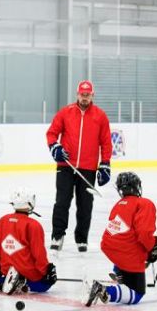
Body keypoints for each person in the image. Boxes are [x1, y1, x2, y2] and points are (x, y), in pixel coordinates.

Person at [46, 80, 112, 252]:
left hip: (88, 168)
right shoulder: (65, 112)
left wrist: (105, 164)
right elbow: (52, 133)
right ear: (77, 94)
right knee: (62, 202)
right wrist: (55, 147)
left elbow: (106, 142)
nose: (84, 98)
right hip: (66, 165)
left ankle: (81, 239)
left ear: (92, 95)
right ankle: (57, 235)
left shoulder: (100, 116)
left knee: (85, 205)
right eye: (82, 95)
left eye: (87, 95)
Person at [83, 172, 157, 307]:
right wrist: (151, 247)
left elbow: (119, 233)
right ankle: (104, 290)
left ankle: (120, 273)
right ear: (137, 186)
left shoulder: (118, 204)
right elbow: (144, 234)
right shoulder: (144, 203)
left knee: (125, 244)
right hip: (127, 253)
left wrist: (147, 251)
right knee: (137, 294)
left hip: (109, 248)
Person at [0, 187, 57, 295]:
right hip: (30, 274)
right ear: (29, 203)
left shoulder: (3, 220)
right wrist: (46, 272)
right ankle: (22, 281)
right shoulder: (33, 225)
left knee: (6, 276)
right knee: (44, 285)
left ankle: (2, 282)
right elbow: (39, 253)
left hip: (8, 271)